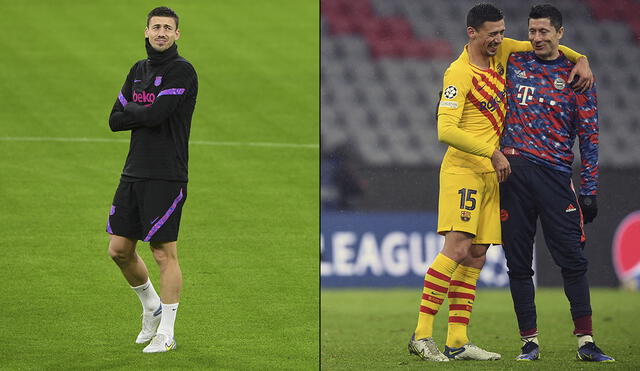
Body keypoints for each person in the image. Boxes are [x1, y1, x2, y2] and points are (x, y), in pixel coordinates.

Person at [408, 3, 593, 362]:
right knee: (458, 249)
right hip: (464, 170)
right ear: (471, 33)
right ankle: (421, 334)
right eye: (492, 34)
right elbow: (445, 129)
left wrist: (581, 58)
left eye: (501, 32)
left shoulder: (502, 52)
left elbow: (547, 47)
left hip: (492, 174)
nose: (499, 39)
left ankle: (458, 341)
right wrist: (491, 153)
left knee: (477, 255)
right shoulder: (458, 73)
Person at [500, 4, 614, 362]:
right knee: (518, 263)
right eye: (532, 31)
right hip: (514, 175)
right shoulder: (514, 62)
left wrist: (589, 190)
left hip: (555, 176)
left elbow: (590, 137)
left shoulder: (577, 76)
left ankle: (585, 342)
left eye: (544, 32)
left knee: (573, 261)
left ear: (559, 33)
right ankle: (529, 343)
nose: (536, 38)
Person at [106, 6, 198, 353]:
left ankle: (167, 333)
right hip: (133, 171)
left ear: (177, 35)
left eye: (167, 28)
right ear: (146, 31)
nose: (161, 32)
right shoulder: (138, 70)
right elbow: (114, 120)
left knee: (163, 252)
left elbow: (159, 114)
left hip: (167, 173)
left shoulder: (182, 71)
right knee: (118, 250)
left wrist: (135, 111)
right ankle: (151, 307)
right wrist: (140, 113)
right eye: (155, 27)